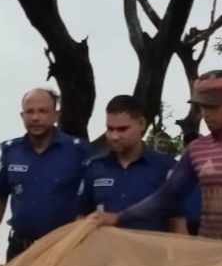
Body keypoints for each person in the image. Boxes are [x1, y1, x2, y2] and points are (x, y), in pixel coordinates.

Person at [101, 71, 222, 260]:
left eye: (212, 107)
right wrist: (120, 218)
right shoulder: (196, 150)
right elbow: (167, 196)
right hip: (208, 257)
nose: (206, 114)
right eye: (202, 107)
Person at [0, 87, 89, 262]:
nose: (35, 117)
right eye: (30, 112)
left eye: (43, 111)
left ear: (56, 115)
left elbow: (92, 200)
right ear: (22, 116)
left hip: (65, 250)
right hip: (20, 249)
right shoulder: (11, 151)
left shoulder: (78, 151)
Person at [79, 94, 197, 234]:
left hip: (152, 253)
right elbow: (82, 219)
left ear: (141, 124)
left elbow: (178, 223)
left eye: (122, 129)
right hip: (105, 253)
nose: (114, 136)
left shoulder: (166, 168)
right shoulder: (94, 167)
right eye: (110, 129)